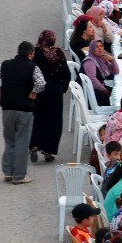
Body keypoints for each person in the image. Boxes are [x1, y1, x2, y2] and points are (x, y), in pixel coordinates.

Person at [0, 41, 46, 185]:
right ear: (30, 54)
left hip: (7, 109)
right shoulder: (33, 67)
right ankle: (19, 176)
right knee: (22, 142)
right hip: (25, 109)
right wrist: (33, 92)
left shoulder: (5, 64)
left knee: (9, 140)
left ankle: (8, 171)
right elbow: (41, 83)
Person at [29, 30, 71, 163]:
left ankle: (34, 145)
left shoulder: (35, 54)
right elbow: (66, 74)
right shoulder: (57, 53)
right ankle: (48, 151)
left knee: (38, 119)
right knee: (54, 121)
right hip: (55, 91)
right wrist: (62, 89)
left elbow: (29, 72)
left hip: (39, 91)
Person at [81, 39, 119, 107]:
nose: (100, 48)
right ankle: (114, 115)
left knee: (118, 94)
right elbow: (92, 80)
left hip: (97, 88)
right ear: (92, 49)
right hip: (91, 93)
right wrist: (105, 90)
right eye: (96, 46)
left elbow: (115, 72)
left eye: (101, 46)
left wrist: (112, 60)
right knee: (116, 99)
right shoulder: (89, 61)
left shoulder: (101, 59)